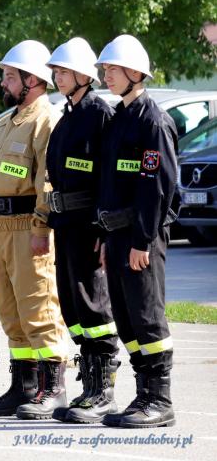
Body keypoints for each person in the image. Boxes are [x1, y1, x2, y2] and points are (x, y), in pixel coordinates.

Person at [0, 40, 69, 419]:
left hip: (27, 228)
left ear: (33, 80)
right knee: (10, 312)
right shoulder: (3, 122)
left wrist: (41, 226)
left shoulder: (46, 121)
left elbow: (47, 180)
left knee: (38, 306)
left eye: (11, 76)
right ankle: (24, 386)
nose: (4, 82)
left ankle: (54, 387)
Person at [96, 35, 178, 428]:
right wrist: (105, 237)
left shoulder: (153, 121)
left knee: (146, 315)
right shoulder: (120, 117)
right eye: (105, 70)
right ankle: (143, 393)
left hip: (140, 237)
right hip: (116, 236)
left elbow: (157, 187)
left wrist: (142, 240)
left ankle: (159, 399)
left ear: (134, 71)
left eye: (112, 69)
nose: (106, 76)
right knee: (126, 318)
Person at [44, 38, 119, 424]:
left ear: (83, 75)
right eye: (56, 72)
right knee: (73, 308)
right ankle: (89, 386)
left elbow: (108, 178)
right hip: (65, 226)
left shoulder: (99, 115)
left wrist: (105, 231)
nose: (57, 77)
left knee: (94, 306)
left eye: (63, 71)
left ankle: (103, 391)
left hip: (89, 227)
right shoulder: (67, 117)